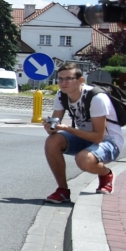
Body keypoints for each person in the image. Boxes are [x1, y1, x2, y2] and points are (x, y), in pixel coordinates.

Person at [44, 63, 121, 202]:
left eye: (68, 78)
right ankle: (63, 190)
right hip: (84, 137)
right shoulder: (62, 96)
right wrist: (50, 128)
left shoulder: (96, 98)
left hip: (109, 142)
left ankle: (106, 174)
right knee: (52, 141)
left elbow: (98, 137)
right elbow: (54, 125)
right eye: (60, 79)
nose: (63, 83)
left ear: (80, 80)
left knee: (83, 160)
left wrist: (67, 128)